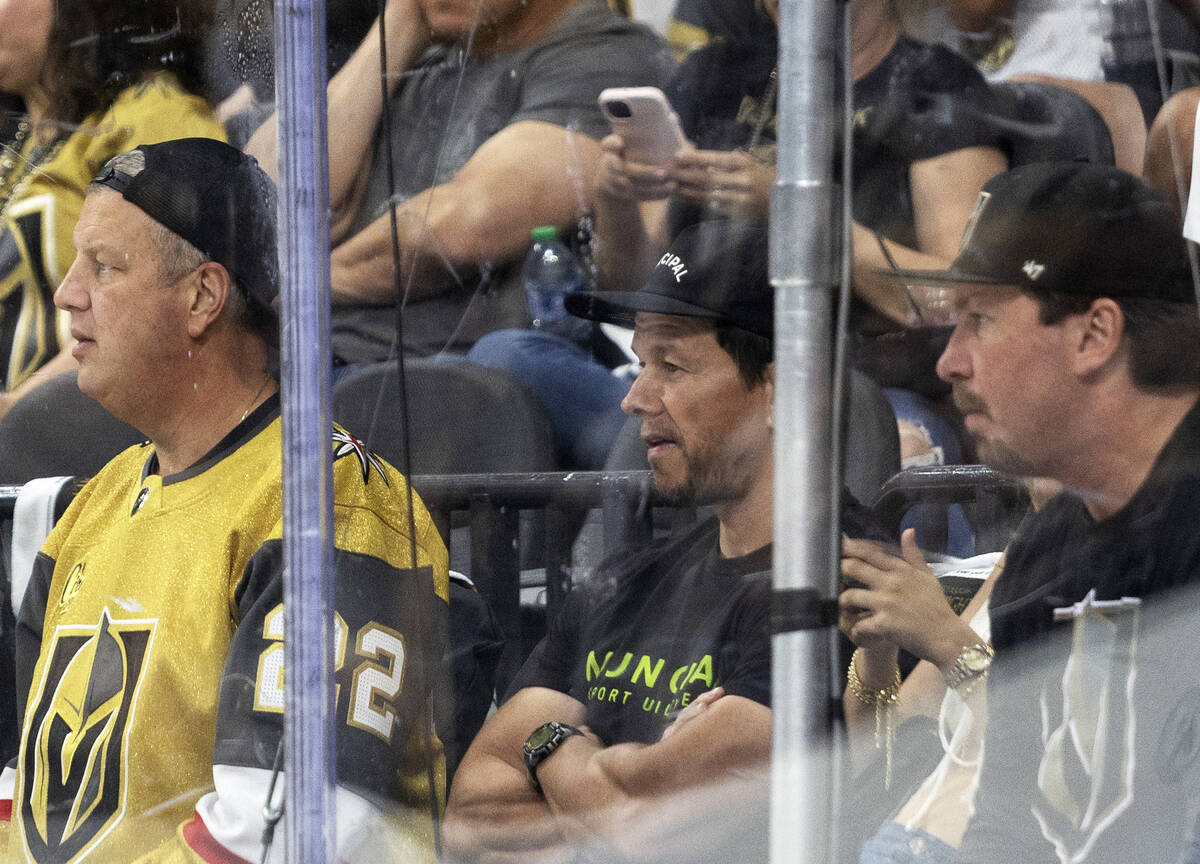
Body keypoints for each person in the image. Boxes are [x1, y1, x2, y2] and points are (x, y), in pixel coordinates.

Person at [0, 139, 449, 862]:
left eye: (106, 267)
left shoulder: (326, 503)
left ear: (203, 297)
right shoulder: (96, 504)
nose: (67, 292)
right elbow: (20, 786)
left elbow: (289, 831)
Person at [442, 220, 889, 863]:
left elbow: (658, 838)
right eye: (640, 363)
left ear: (782, 389)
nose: (634, 399)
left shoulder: (842, 590)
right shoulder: (630, 577)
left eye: (671, 366)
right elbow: (474, 814)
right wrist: (605, 794)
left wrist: (548, 748)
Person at [879, 161, 1200, 862]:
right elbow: (1008, 829)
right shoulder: (1045, 554)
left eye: (980, 321)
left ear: (1094, 335)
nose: (948, 363)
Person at [245, 0, 673, 361]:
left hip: (437, 383)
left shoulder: (608, 54)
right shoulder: (425, 57)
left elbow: (459, 230)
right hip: (306, 365)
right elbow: (262, 199)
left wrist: (295, 286)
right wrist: (396, 26)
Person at [0, 0, 226, 423]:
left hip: (88, 437)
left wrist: (17, 413)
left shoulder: (152, 116)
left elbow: (169, 304)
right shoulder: (22, 142)